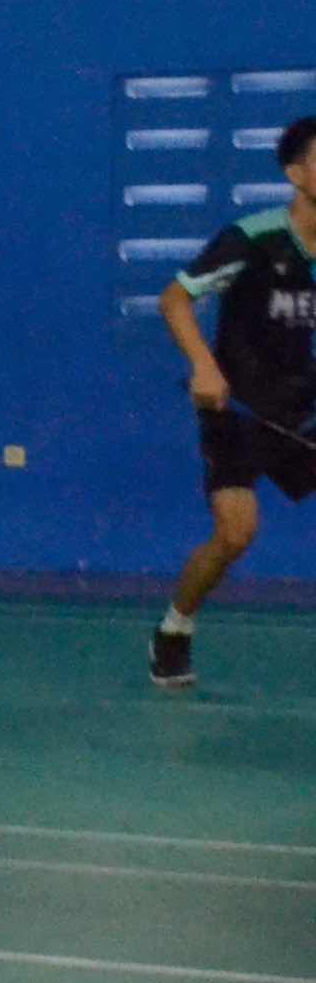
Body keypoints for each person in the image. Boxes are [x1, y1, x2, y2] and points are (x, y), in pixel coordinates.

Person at [150, 115, 316, 687]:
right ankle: (174, 628)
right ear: (296, 173)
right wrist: (203, 365)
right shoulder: (252, 238)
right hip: (236, 407)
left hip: (303, 407)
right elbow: (174, 300)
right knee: (236, 535)